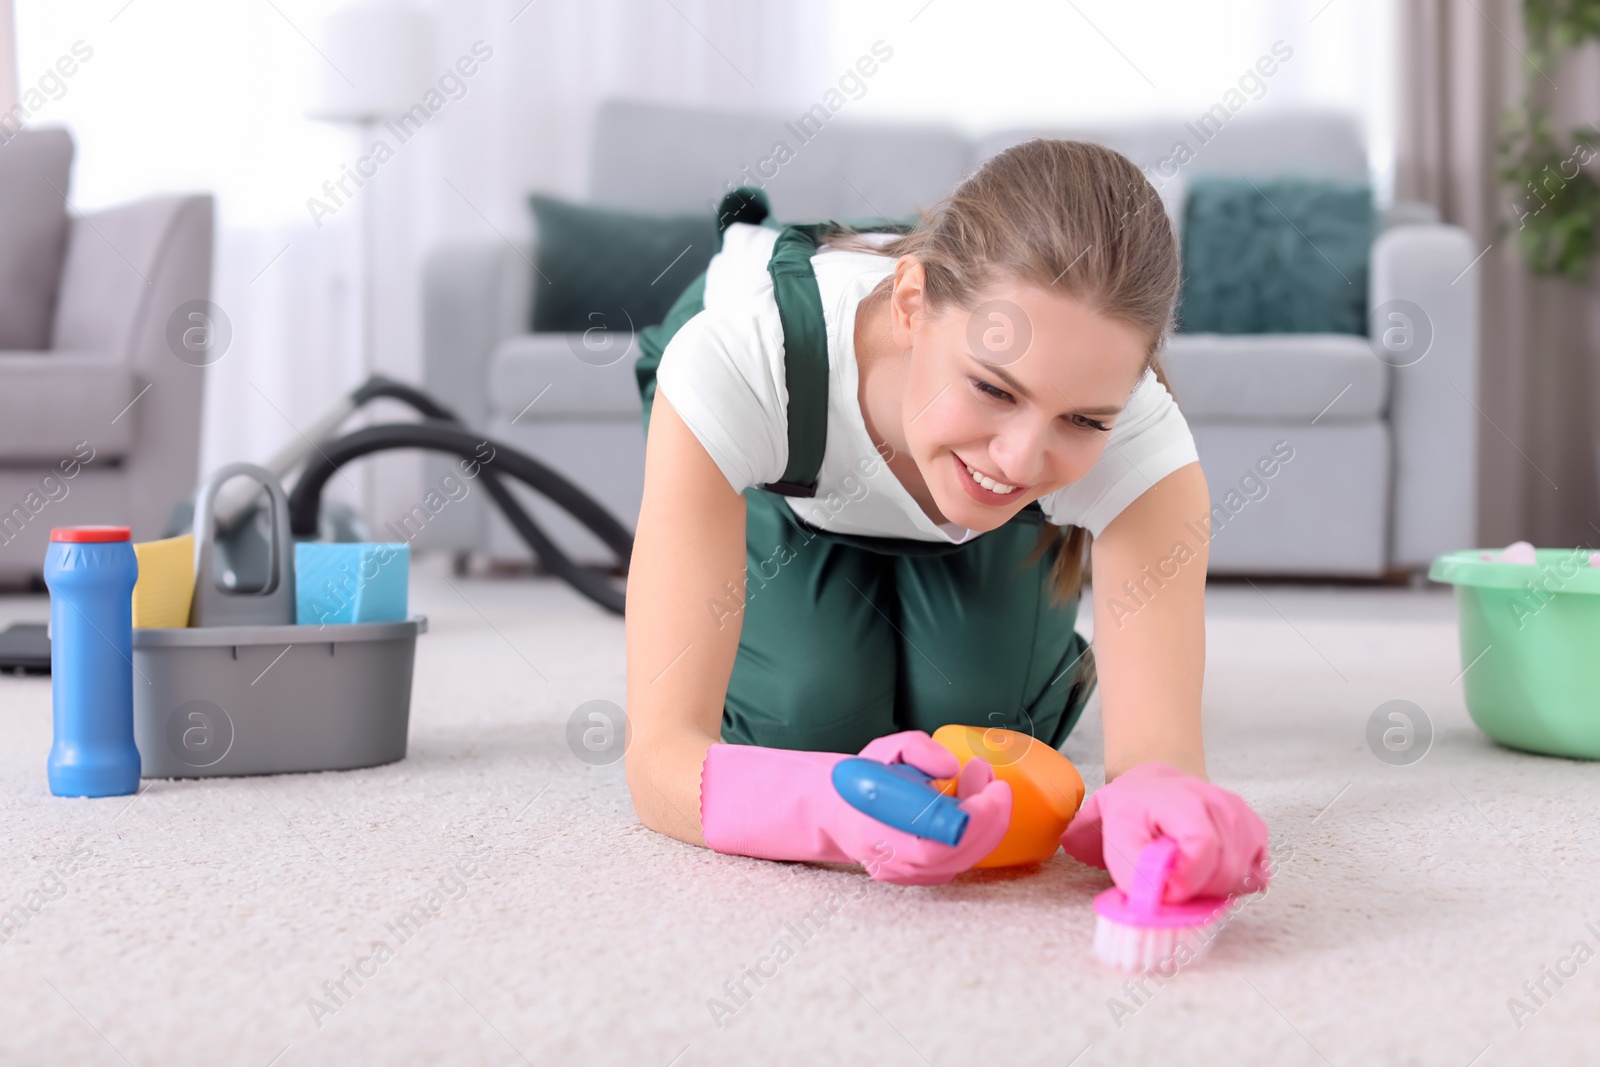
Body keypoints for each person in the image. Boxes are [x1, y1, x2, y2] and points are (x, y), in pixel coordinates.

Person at [623, 138, 1270, 896]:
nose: (1023, 460)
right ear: (910, 305)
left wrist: (1161, 802)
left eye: (1083, 421)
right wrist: (822, 810)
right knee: (810, 720)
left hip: (938, 427)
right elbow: (660, 758)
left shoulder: (1138, 435)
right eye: (994, 389)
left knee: (982, 728)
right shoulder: (739, 358)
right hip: (787, 469)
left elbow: (1157, 755)